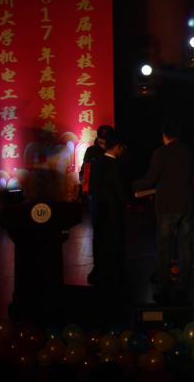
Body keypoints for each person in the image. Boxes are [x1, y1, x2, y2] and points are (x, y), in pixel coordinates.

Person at [133, 120, 194, 301]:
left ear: (164, 135)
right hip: (186, 204)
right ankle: (183, 285)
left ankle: (164, 287)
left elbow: (151, 178)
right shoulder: (188, 151)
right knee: (185, 247)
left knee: (164, 247)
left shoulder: (160, 152)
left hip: (167, 205)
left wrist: (132, 185)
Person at [91, 131, 131, 295]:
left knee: (100, 241)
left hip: (99, 209)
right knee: (115, 242)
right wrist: (129, 201)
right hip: (113, 211)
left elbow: (92, 187)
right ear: (117, 147)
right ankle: (115, 276)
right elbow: (119, 189)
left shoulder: (97, 162)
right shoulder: (115, 165)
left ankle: (100, 273)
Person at [81, 124, 114, 285]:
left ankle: (111, 266)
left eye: (106, 140)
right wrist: (86, 189)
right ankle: (98, 267)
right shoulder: (91, 151)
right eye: (101, 140)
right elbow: (84, 171)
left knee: (111, 233)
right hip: (96, 197)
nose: (103, 143)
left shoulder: (114, 150)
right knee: (98, 232)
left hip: (111, 197)